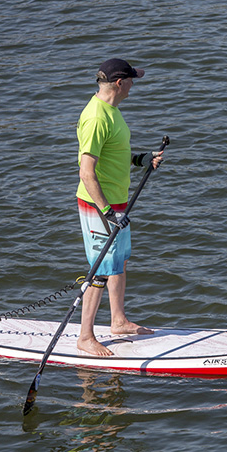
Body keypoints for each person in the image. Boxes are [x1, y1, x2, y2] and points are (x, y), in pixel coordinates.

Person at [75, 58, 163, 356]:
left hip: (118, 201)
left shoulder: (113, 112)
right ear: (119, 83)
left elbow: (114, 154)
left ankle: (118, 321)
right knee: (100, 269)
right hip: (98, 206)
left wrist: (141, 159)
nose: (134, 84)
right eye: (132, 79)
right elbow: (86, 172)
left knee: (119, 260)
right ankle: (85, 336)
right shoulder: (96, 118)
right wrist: (107, 212)